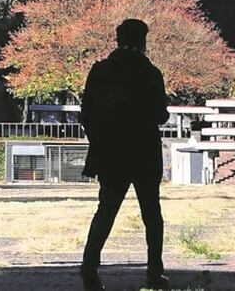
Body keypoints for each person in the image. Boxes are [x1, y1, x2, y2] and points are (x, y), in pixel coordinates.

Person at [79, 19, 171, 291]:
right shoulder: (150, 72)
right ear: (143, 41)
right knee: (152, 214)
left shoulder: (100, 71)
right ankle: (154, 272)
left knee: (106, 210)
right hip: (144, 151)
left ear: (117, 40)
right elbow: (161, 114)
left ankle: (89, 265)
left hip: (111, 152)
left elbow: (87, 113)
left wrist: (100, 139)